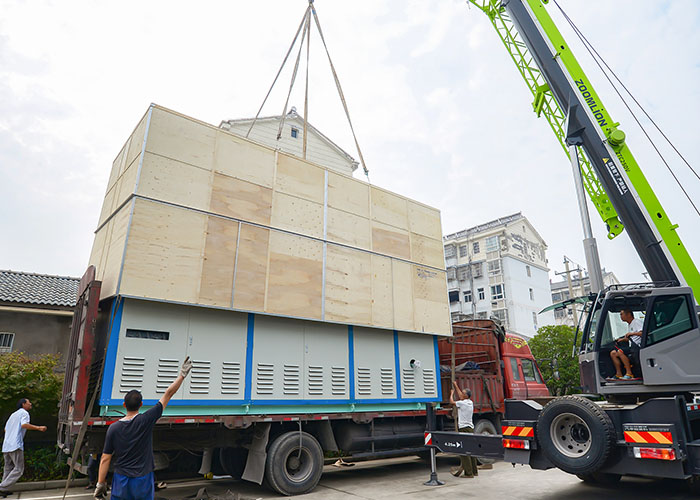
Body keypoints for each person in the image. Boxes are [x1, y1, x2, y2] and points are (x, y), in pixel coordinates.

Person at [94, 357, 192, 500]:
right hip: (143, 478)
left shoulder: (113, 428)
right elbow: (168, 394)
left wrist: (100, 483)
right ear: (141, 404)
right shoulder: (146, 420)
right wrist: (182, 375)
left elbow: (105, 458)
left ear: (124, 405)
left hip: (121, 479)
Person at [0, 398, 47, 497]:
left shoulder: (13, 415)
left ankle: (4, 489)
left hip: (6, 445)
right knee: (19, 469)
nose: (31, 404)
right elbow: (24, 424)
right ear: (23, 404)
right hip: (15, 445)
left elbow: (5, 429)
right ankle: (2, 487)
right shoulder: (24, 413)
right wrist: (39, 428)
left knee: (8, 468)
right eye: (29, 402)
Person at [449, 381, 478, 479]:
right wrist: (456, 385)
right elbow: (461, 395)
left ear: (466, 396)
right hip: (470, 428)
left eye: (463, 393)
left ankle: (468, 473)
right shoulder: (470, 402)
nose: (461, 394)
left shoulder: (462, 403)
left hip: (464, 428)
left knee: (464, 450)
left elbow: (452, 402)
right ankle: (474, 471)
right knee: (471, 450)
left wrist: (451, 393)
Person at [610, 309, 643, 380]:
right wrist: (622, 339)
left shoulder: (636, 322)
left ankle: (629, 373)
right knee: (613, 353)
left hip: (637, 346)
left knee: (620, 351)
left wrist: (632, 333)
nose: (620, 316)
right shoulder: (630, 324)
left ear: (628, 314)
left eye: (621, 314)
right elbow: (632, 338)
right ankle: (619, 374)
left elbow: (643, 333)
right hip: (631, 346)